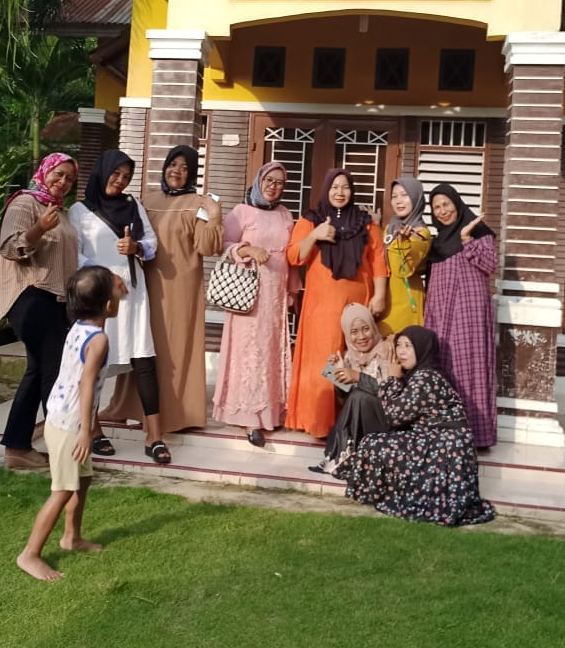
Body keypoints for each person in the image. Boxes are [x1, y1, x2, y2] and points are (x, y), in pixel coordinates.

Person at [16, 265, 120, 581]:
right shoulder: (98, 340)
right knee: (62, 490)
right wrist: (87, 432)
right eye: (115, 291)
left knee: (82, 480)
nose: (120, 295)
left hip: (62, 417)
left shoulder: (78, 327)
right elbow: (86, 385)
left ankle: (71, 538)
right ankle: (29, 554)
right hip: (70, 426)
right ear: (107, 305)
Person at [68, 149, 170, 465]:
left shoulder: (133, 205)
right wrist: (104, 276)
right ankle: (93, 429)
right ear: (102, 171)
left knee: (144, 359)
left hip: (133, 294)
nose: (120, 180)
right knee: (96, 361)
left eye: (126, 176)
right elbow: (75, 254)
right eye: (116, 173)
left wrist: (137, 246)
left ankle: (154, 436)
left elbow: (151, 244)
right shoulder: (80, 211)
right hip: (100, 296)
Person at [339, 326, 494, 526]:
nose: (401, 352)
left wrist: (392, 379)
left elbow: (394, 416)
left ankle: (377, 489)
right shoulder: (421, 374)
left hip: (444, 447)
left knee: (374, 443)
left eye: (408, 346)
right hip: (436, 440)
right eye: (399, 345)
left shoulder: (425, 378)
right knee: (376, 441)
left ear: (422, 349)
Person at [285, 168, 387, 440]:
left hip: (358, 301)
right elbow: (294, 256)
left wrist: (379, 295)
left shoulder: (366, 223)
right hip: (322, 306)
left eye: (345, 187)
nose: (340, 192)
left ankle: (353, 420)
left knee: (356, 357)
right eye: (334, 187)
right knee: (326, 358)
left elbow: (378, 260)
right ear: (326, 189)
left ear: (352, 191)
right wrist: (315, 235)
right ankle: (321, 421)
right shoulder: (311, 220)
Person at [0, 152, 78, 470]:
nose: (63, 181)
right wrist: (39, 229)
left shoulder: (61, 212)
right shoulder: (25, 203)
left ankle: (17, 448)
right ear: (44, 171)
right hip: (31, 297)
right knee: (52, 374)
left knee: (37, 372)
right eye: (58, 174)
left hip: (56, 301)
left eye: (69, 178)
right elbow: (9, 247)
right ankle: (62, 454)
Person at [212, 162, 301, 447]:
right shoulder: (242, 211)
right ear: (259, 181)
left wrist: (292, 291)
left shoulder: (285, 214)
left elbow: (290, 256)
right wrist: (247, 248)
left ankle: (272, 412)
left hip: (275, 297)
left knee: (271, 352)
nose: (273, 187)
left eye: (279, 182)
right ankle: (250, 418)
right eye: (269, 180)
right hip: (248, 293)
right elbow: (223, 243)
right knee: (249, 353)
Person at [144, 145, 224, 432]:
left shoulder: (200, 203)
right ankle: (139, 408)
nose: (176, 171)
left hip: (182, 288)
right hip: (148, 285)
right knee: (145, 347)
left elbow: (207, 247)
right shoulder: (148, 200)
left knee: (177, 349)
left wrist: (214, 215)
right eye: (172, 164)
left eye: (184, 167)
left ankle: (179, 413)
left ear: (192, 174)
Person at [423, 183, 497, 448]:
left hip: (470, 315)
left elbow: (490, 264)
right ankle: (447, 432)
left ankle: (476, 435)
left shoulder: (478, 232)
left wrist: (466, 239)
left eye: (446, 204)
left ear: (457, 203)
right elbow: (432, 282)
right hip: (442, 314)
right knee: (445, 367)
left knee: (471, 369)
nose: (442, 211)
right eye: (436, 207)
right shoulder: (437, 243)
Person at [309, 302, 391, 476]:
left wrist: (359, 377)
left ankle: (338, 457)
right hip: (360, 422)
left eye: (366, 329)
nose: (361, 336)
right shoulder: (349, 356)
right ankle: (342, 456)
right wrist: (338, 374)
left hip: (385, 420)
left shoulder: (385, 351)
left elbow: (390, 392)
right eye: (354, 332)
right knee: (356, 397)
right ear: (347, 333)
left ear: (373, 327)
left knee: (360, 397)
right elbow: (344, 400)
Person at [378, 178, 432, 336]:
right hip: (385, 300)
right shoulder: (391, 227)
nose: (398, 201)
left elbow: (402, 269)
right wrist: (377, 228)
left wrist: (403, 243)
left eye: (404, 195)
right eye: (394, 196)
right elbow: (383, 255)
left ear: (416, 198)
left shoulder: (421, 233)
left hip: (405, 303)